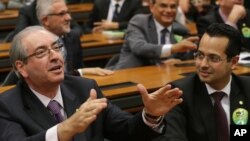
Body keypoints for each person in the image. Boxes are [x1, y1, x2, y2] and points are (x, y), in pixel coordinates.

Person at [0, 25, 183, 141]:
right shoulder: (7, 105)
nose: (55, 56)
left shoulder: (85, 88)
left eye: (56, 48)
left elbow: (125, 131)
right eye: (41, 52)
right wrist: (65, 129)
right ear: (21, 67)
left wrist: (150, 115)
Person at [156, 23, 250, 141]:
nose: (203, 64)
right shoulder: (178, 94)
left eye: (213, 58)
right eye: (200, 55)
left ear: (234, 62)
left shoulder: (247, 88)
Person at [109, 0, 199, 70]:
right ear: (152, 7)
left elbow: (186, 59)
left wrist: (178, 62)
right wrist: (173, 48)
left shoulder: (181, 30)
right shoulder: (139, 22)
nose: (169, 10)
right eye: (163, 6)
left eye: (173, 7)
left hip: (164, 79)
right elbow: (139, 48)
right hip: (128, 77)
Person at [37, 0, 113, 76]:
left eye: (68, 12)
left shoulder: (73, 37)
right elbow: (47, 78)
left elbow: (79, 67)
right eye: (62, 14)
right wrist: (81, 72)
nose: (69, 18)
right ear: (45, 20)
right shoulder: (37, 46)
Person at [8, 0, 82, 42]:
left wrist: (68, 35)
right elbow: (20, 34)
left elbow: (77, 28)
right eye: (61, 14)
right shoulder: (27, 10)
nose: (68, 18)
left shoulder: (59, 6)